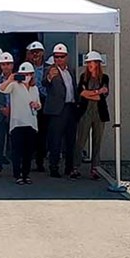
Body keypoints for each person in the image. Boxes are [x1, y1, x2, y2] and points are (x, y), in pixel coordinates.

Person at [0, 62, 42, 185]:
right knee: (17, 151)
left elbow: (39, 104)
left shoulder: (34, 88)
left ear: (32, 75)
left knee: (28, 151)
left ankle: (26, 174)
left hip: (31, 123)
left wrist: (36, 105)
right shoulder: (14, 85)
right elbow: (2, 89)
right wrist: (10, 79)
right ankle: (17, 174)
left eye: (28, 74)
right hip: (17, 123)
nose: (26, 77)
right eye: (23, 74)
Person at [44, 44, 79, 178]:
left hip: (70, 108)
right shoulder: (50, 70)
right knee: (55, 140)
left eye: (61, 57)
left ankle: (69, 168)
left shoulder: (71, 70)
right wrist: (49, 78)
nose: (58, 59)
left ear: (66, 57)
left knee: (70, 140)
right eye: (56, 57)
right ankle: (54, 167)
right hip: (57, 110)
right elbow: (44, 83)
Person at [75, 51, 110, 180]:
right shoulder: (83, 77)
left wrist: (90, 93)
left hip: (99, 113)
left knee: (97, 141)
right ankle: (75, 167)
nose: (90, 64)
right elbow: (81, 93)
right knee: (81, 140)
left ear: (98, 64)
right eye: (89, 62)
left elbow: (102, 96)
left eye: (93, 62)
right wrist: (97, 91)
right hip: (85, 112)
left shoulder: (104, 78)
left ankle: (95, 168)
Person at [26, 41, 48, 171]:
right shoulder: (25, 67)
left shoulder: (48, 68)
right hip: (28, 103)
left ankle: (40, 161)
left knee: (42, 133)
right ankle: (27, 161)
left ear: (42, 53)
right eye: (33, 52)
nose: (35, 54)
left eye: (38, 52)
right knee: (29, 132)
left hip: (44, 102)